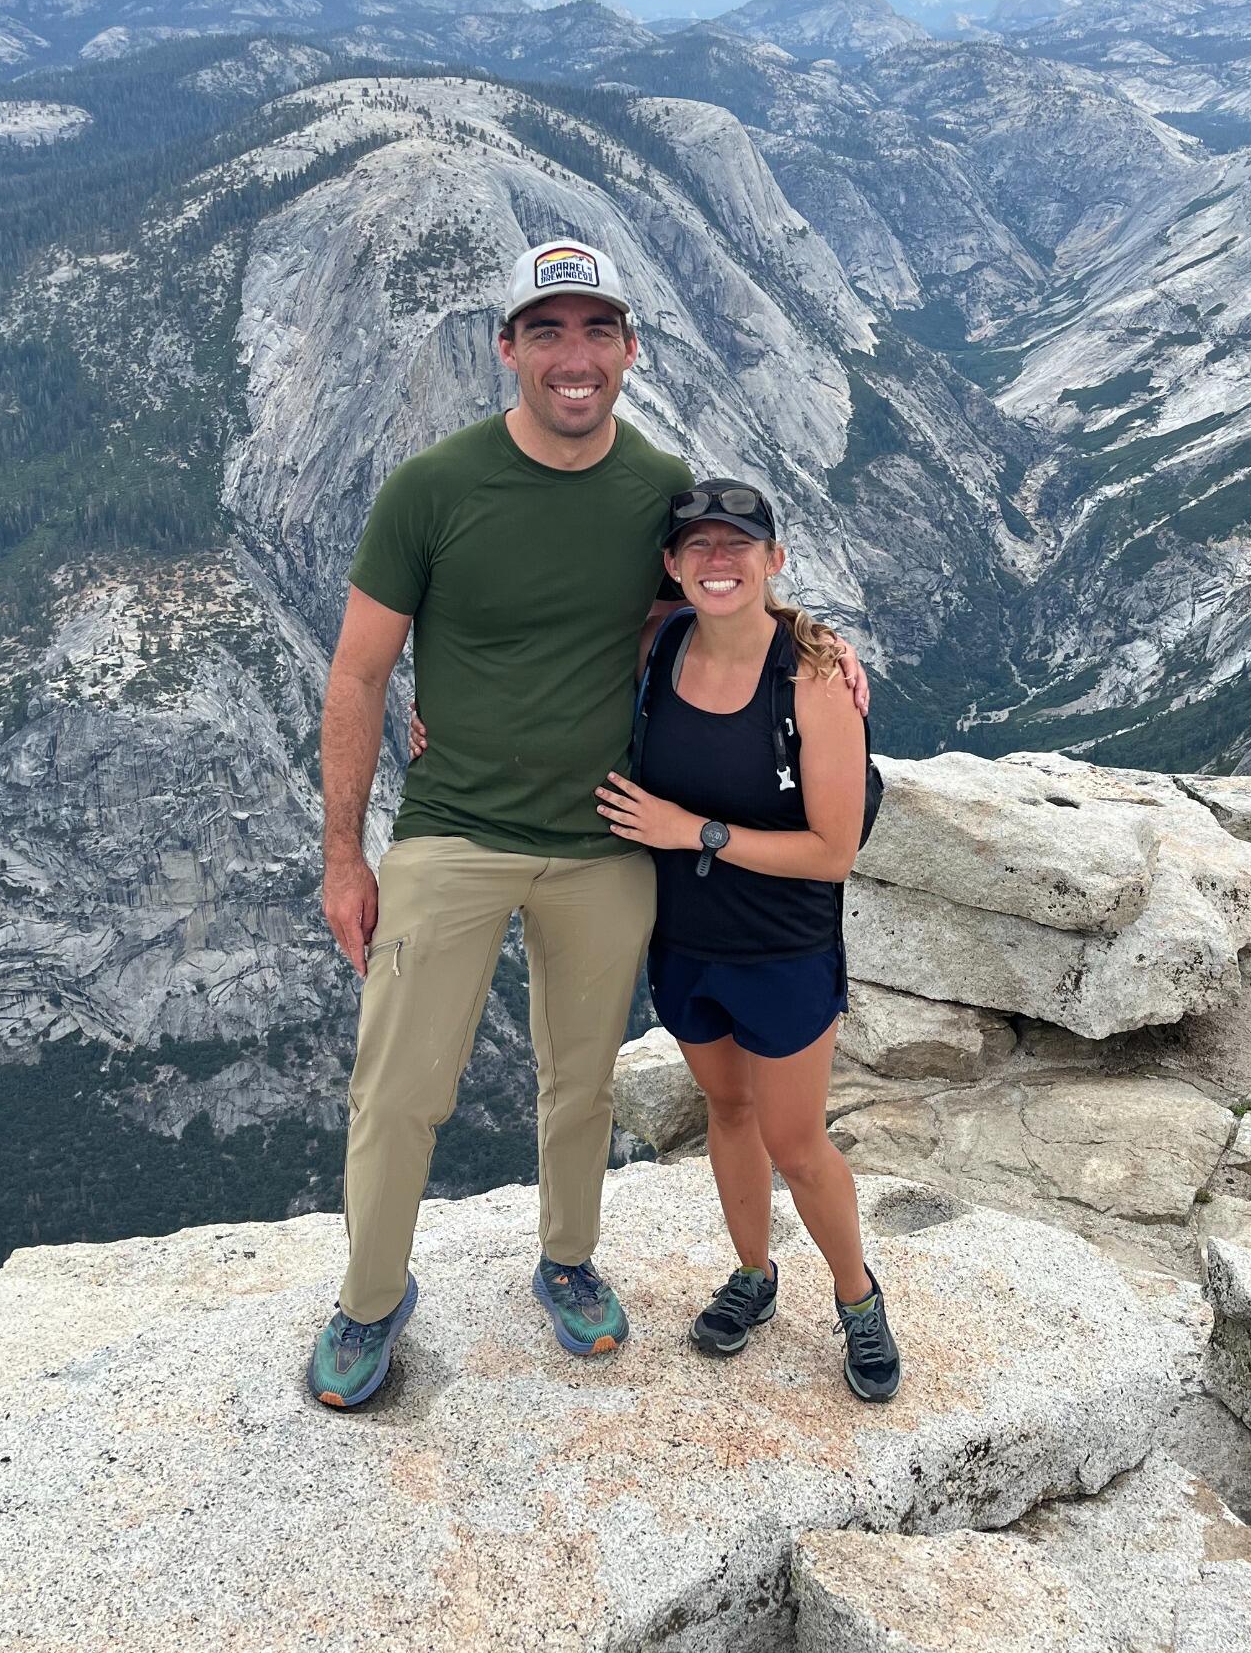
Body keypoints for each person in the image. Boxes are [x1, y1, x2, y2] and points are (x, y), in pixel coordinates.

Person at [304, 238, 693, 1408]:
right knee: (400, 1085)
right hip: (453, 829)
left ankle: (568, 1261)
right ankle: (369, 1299)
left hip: (604, 836)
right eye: (547, 332)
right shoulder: (433, 488)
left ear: (629, 348)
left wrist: (823, 659)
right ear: (508, 348)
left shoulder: (659, 486)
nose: (572, 359)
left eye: (594, 333)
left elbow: (702, 620)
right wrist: (343, 857)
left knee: (581, 1079)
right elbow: (360, 676)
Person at [595, 481, 902, 1402]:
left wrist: (692, 832)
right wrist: (433, 717)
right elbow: (534, 661)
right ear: (671, 566)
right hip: (686, 943)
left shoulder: (810, 680)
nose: (716, 562)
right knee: (727, 1114)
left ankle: (858, 1301)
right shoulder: (659, 646)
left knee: (796, 1141)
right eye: (696, 547)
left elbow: (832, 849)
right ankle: (754, 1276)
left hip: (782, 949)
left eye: (738, 546)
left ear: (773, 560)